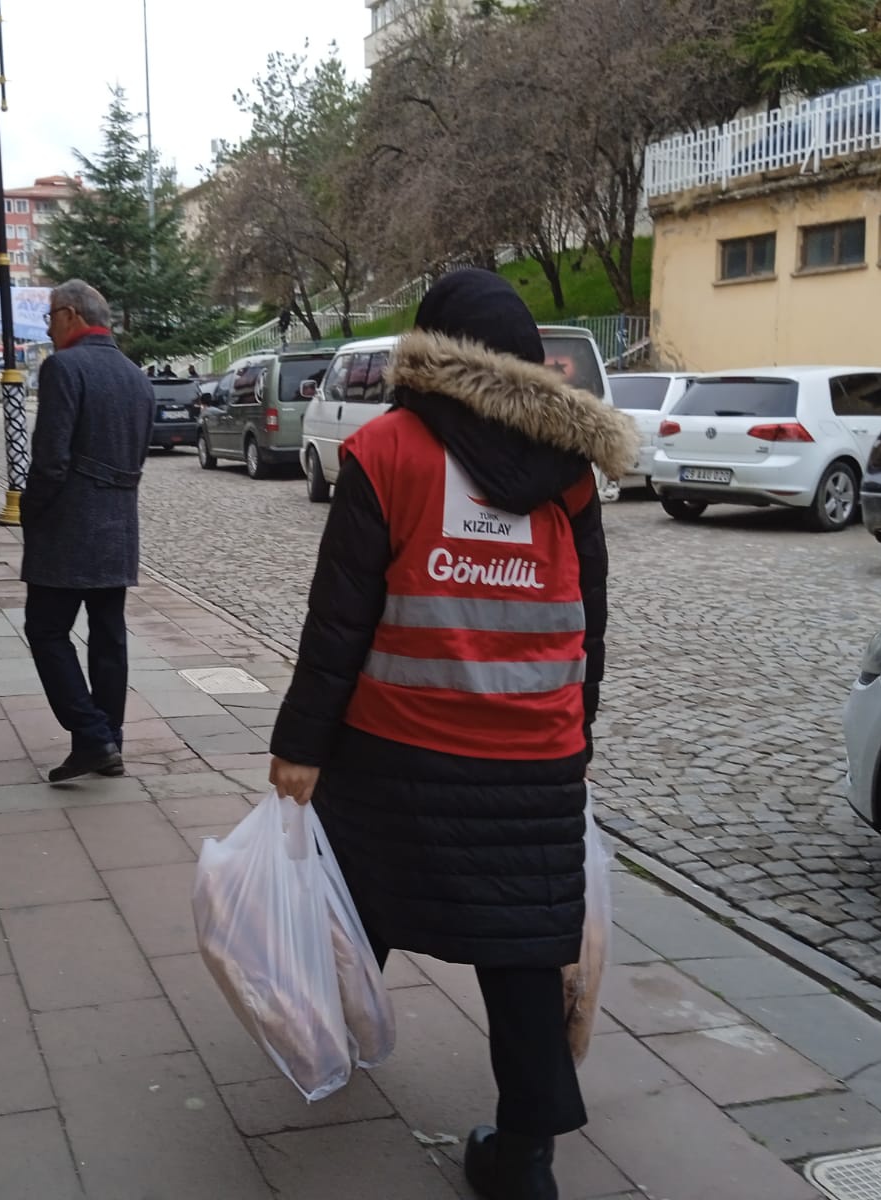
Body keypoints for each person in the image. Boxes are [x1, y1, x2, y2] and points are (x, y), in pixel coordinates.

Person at [267, 269, 636, 1200]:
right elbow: (588, 620)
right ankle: (526, 1165)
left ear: (428, 351)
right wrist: (574, 739)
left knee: (355, 911)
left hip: (394, 753)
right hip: (533, 759)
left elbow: (339, 620)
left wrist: (302, 746)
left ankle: (330, 1034)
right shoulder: (571, 472)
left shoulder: (385, 448)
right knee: (522, 955)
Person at [21, 279, 153, 782]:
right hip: (119, 525)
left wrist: (31, 511)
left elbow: (50, 459)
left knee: (46, 630)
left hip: (68, 526)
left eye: (50, 318)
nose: (48, 328)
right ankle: (107, 741)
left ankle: (93, 734)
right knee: (108, 636)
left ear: (71, 314)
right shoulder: (136, 377)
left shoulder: (64, 367)